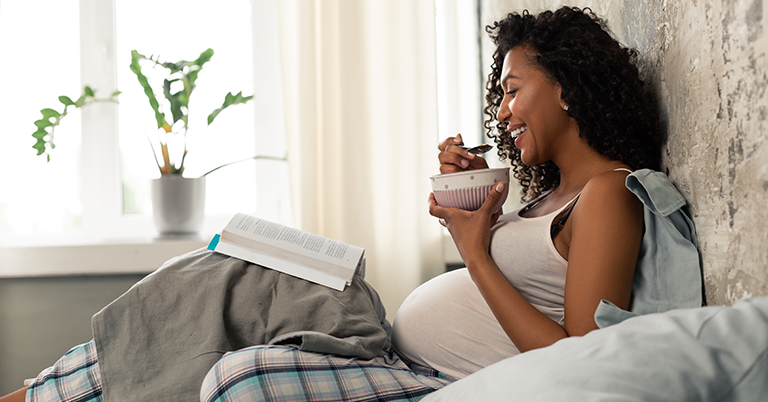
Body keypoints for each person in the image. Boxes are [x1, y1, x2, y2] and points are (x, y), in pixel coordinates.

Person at [2, 7, 700, 402]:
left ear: (570, 88)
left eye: (514, 90)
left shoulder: (610, 193)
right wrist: (476, 194)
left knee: (238, 375)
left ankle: (43, 396)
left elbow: (581, 355)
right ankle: (41, 395)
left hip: (424, 377)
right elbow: (526, 268)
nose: (503, 109)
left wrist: (475, 253)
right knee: (224, 274)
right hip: (391, 345)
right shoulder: (549, 192)